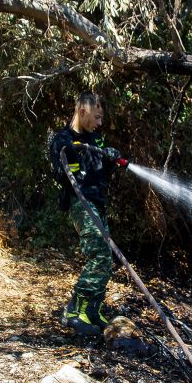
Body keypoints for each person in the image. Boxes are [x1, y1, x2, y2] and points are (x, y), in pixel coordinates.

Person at [49, 92, 127, 336]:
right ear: (82, 112)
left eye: (101, 118)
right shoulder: (63, 139)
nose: (99, 123)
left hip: (97, 203)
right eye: (96, 117)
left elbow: (101, 170)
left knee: (106, 261)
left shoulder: (97, 140)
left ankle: (92, 310)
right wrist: (71, 150)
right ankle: (73, 311)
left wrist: (112, 158)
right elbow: (60, 171)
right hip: (80, 203)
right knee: (100, 256)